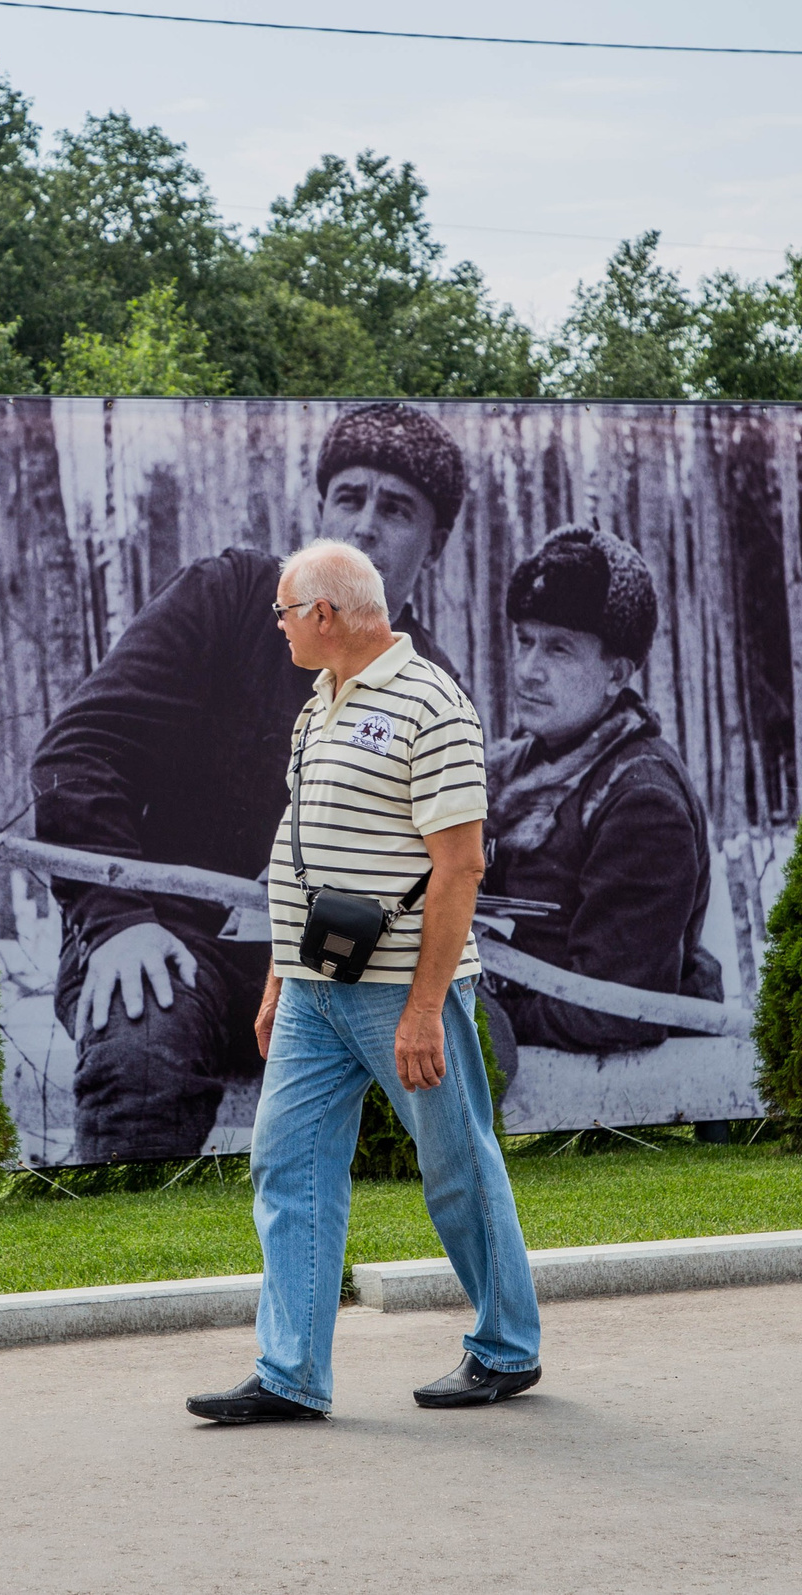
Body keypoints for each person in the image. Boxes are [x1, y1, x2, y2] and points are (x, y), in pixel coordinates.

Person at [31, 403, 468, 1164]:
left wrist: (322, 952)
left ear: (436, 543)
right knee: (142, 1037)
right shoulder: (228, 597)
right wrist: (115, 919)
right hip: (162, 935)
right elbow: (80, 751)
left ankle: (327, 1274)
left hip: (323, 961)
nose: (365, 524)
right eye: (349, 496)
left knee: (445, 1059)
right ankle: (139, 1267)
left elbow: (430, 867)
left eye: (396, 509)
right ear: (319, 510)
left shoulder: (431, 687)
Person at [185, 541, 539, 1423]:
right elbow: (298, 853)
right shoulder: (318, 705)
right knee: (287, 1166)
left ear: (325, 614)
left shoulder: (434, 704)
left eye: (283, 610)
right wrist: (277, 975)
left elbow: (460, 866)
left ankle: (506, 1347)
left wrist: (425, 1007)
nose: (277, 626)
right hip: (311, 988)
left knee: (457, 1165)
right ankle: (290, 1373)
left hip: (402, 992)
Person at [484, 526, 721, 1063]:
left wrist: (487, 1008)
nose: (527, 670)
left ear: (616, 673)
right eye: (525, 641)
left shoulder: (641, 801)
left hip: (603, 1080)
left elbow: (615, 1008)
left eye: (559, 649)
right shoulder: (519, 763)